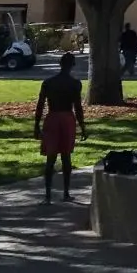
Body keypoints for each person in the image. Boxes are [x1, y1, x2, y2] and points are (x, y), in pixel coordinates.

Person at [34, 53, 88, 202]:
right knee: (66, 157)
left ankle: (47, 195)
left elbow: (40, 105)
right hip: (67, 119)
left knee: (50, 159)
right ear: (72, 65)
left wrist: (36, 125)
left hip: (52, 119)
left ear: (60, 64)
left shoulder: (48, 83)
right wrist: (82, 126)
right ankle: (65, 193)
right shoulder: (75, 84)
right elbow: (77, 108)